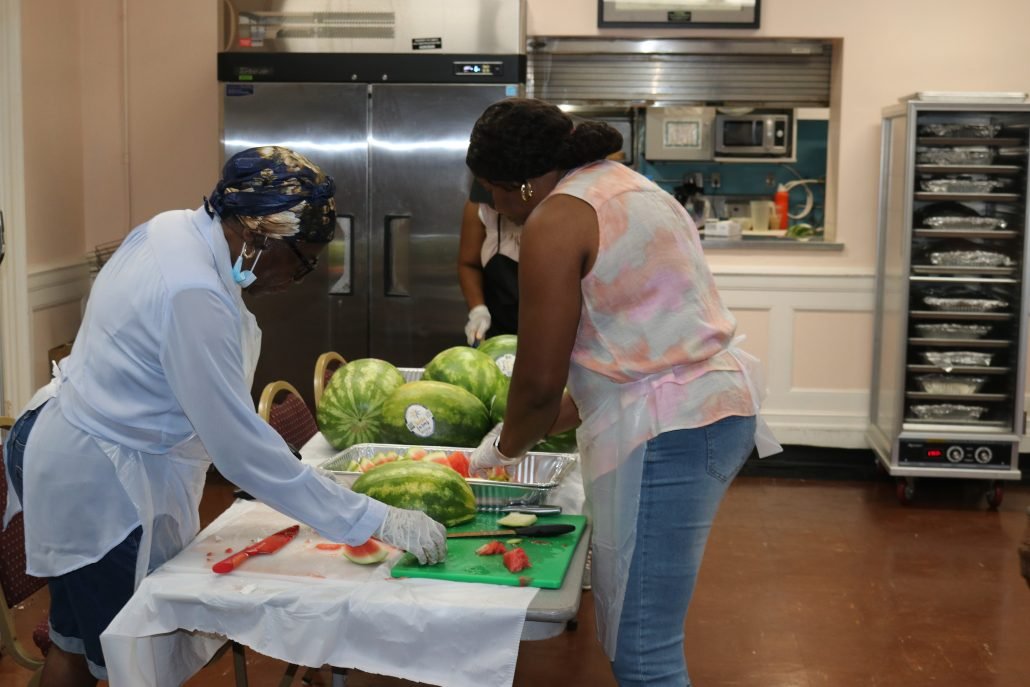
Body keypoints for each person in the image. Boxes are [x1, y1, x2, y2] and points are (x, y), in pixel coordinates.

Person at [1, 146, 446, 687]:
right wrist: (373, 519)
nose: (302, 275)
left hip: (70, 439)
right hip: (99, 480)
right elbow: (237, 451)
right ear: (258, 236)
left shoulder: (175, 227)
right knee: (129, 657)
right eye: (302, 259)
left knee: (75, 644)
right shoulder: (194, 292)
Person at [465, 99, 780, 687]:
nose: (490, 206)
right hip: (699, 409)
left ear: (522, 185)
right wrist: (521, 433)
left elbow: (537, 383)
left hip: (672, 427)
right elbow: (622, 357)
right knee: (639, 634)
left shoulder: (558, 218)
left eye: (494, 191)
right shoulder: (625, 184)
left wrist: (500, 452)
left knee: (643, 651)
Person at [457, 179, 522, 345]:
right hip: (496, 333)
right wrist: (478, 311)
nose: (497, 206)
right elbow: (469, 264)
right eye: (488, 191)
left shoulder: (552, 215)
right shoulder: (479, 208)